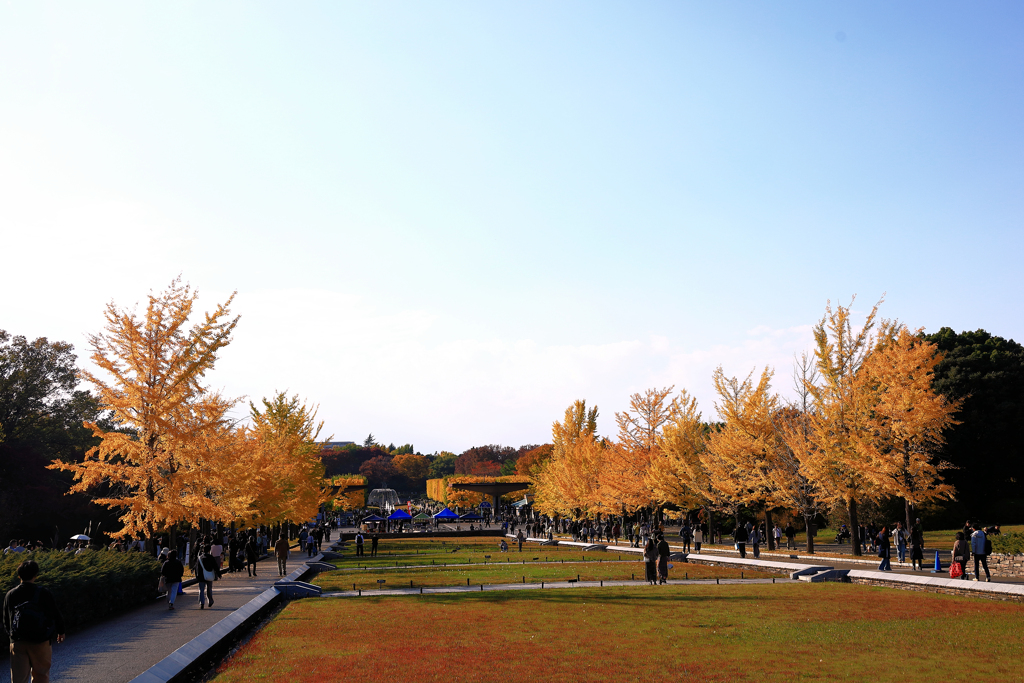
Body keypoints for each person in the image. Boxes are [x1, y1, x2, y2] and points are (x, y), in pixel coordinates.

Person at [4, 559, 66, 683]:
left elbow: (7, 618)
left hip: (18, 641)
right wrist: (60, 631)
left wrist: (12, 636)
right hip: (40, 640)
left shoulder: (11, 594)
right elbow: (55, 613)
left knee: (18, 678)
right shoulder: (43, 593)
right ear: (35, 575)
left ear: (19, 575)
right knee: (41, 675)